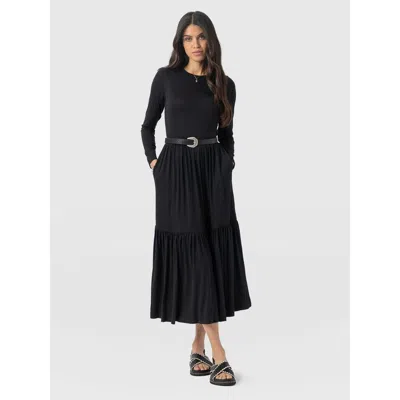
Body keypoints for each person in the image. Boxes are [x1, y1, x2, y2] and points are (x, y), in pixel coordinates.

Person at [140, 11, 252, 386]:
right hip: (175, 173)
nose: (195, 44)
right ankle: (219, 353)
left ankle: (197, 345)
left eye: (201, 37)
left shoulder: (224, 83)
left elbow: (227, 133)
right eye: (188, 38)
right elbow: (147, 125)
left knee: (210, 254)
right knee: (197, 256)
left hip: (212, 172)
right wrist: (155, 163)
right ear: (180, 42)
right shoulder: (166, 78)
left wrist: (226, 164)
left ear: (211, 40)